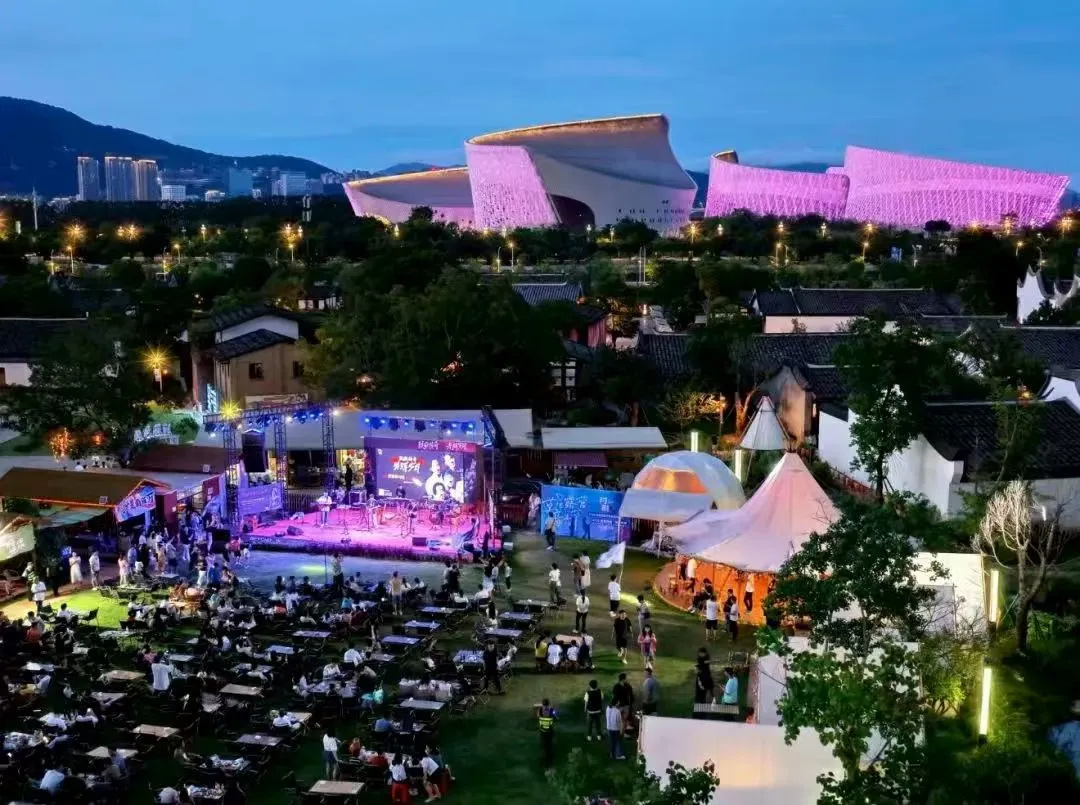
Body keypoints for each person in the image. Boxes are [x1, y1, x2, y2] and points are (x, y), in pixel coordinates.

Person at [537, 698, 557, 767]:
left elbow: (538, 716)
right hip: (549, 731)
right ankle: (550, 761)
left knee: (544, 745)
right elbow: (555, 717)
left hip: (543, 731)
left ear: (542, 704)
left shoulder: (540, 710)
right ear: (548, 704)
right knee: (550, 745)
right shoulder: (551, 710)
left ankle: (544, 759)